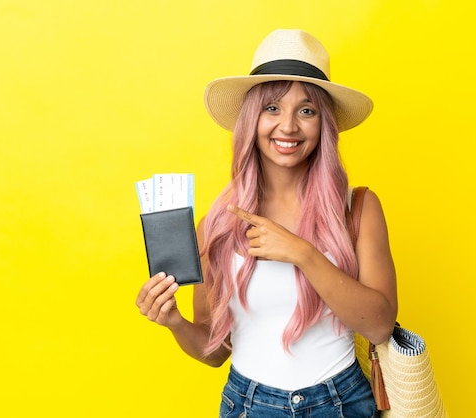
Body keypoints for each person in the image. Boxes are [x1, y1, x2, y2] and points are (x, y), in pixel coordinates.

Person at [136, 29, 398, 417]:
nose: (288, 126)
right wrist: (173, 322)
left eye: (306, 111)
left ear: (323, 124)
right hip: (248, 405)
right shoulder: (217, 226)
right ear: (250, 119)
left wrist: (303, 254)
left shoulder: (357, 208)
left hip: (342, 404)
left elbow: (379, 327)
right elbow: (214, 353)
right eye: (272, 108)